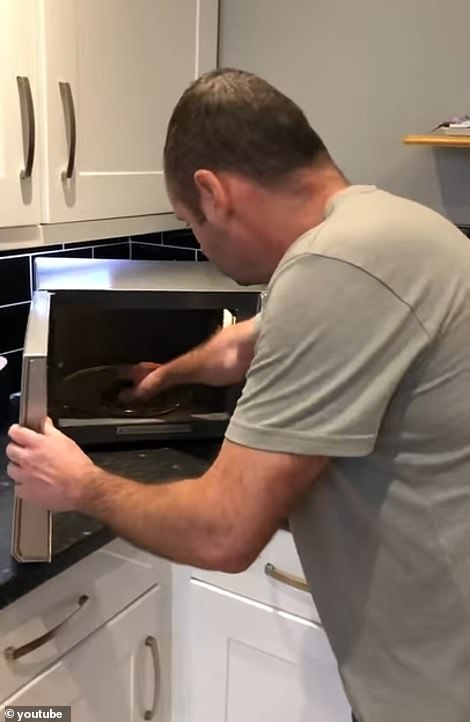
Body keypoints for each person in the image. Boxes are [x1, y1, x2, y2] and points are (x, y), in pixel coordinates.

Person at [6, 69, 470, 722]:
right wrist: (164, 376)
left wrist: (81, 484)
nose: (200, 242)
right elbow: (242, 344)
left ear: (212, 192)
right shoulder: (381, 229)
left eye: (189, 222)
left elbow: (224, 532)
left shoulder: (336, 267)